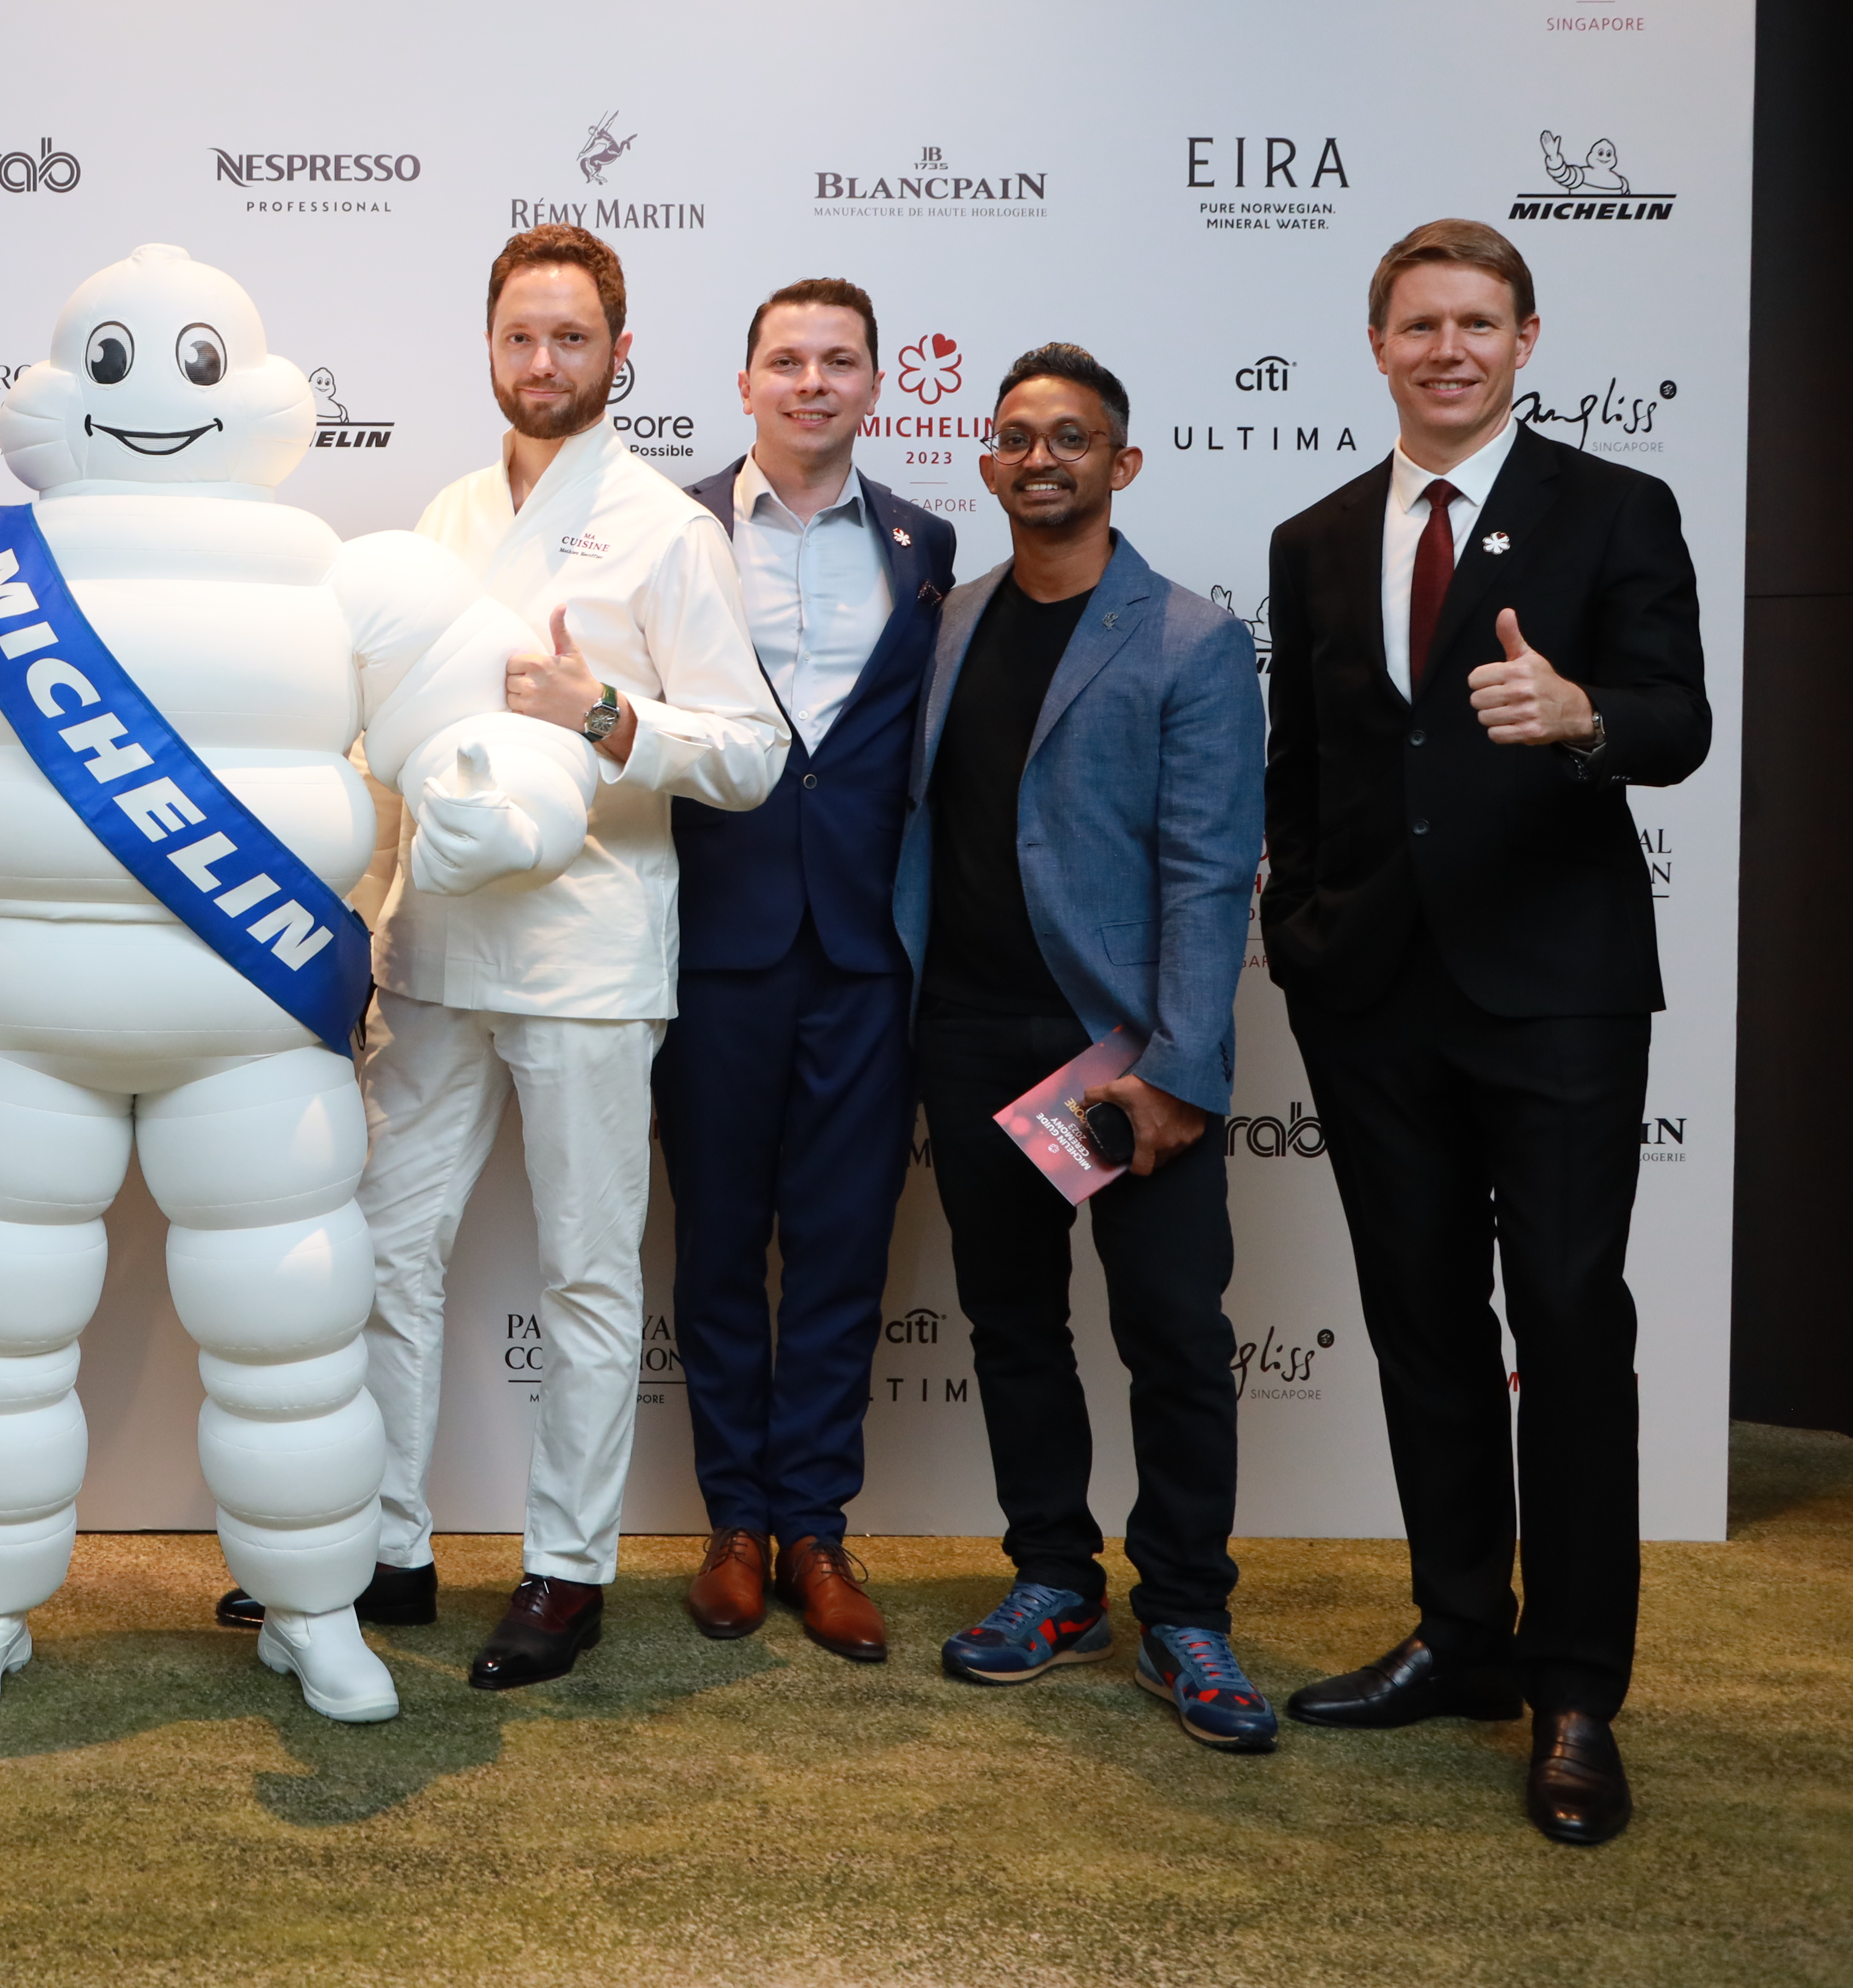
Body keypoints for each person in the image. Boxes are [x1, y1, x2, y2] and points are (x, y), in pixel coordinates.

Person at [0, 241, 605, 1726]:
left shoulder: (351, 575)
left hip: (249, 1039)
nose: (151, 396)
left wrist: (492, 781)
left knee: (294, 1338)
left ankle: (318, 1609)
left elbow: (500, 705)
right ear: (57, 391)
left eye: (191, 365)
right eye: (114, 363)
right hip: (13, 1029)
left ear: (254, 393)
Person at [1264, 220, 1706, 1846]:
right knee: (1420, 1321)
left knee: (1568, 1323)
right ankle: (1461, 1634)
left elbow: (1679, 715)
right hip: (1369, 994)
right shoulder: (1311, 536)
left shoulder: (1611, 508)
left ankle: (1572, 1685)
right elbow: (1298, 766)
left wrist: (1582, 714)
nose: (1444, 347)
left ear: (1524, 336)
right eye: (1415, 322)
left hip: (1556, 988)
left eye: (1474, 321)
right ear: (1375, 341)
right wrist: (1298, 933)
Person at [325, 223, 787, 1693]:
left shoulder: (670, 528)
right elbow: (389, 739)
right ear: (488, 350)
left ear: (619, 354)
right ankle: (386, 1550)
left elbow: (756, 755)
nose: (544, 363)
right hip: (439, 946)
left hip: (589, 949)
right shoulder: (446, 515)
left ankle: (567, 1571)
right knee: (390, 1253)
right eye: (521, 337)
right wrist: (363, 909)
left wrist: (607, 716)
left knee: (589, 1273)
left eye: (571, 339)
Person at [898, 346, 1271, 1749]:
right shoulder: (950, 622)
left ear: (1123, 463)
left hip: (1125, 1052)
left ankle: (1188, 1612)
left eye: (1073, 436)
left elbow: (1206, 867)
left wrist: (1177, 1069)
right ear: (989, 465)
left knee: (1174, 1334)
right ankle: (1054, 1578)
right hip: (973, 1033)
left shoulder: (1189, 638)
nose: (1040, 455)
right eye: (1016, 437)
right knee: (1013, 1328)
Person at [658, 278, 954, 1659]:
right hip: (711, 943)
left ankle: (817, 1529)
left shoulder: (927, 542)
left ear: (876, 387)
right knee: (719, 1245)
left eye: (840, 362)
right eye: (787, 359)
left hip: (866, 952)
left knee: (840, 1250)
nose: (813, 383)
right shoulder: (672, 532)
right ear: (747, 381)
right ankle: (733, 1523)